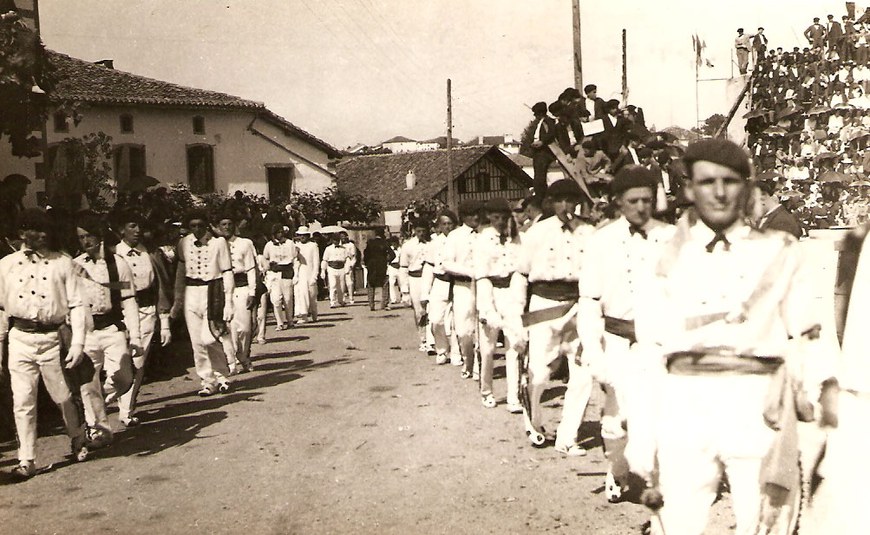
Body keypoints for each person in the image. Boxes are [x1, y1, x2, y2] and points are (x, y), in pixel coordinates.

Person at [630, 139, 826, 535]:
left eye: (730, 181)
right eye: (707, 182)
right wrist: (640, 440)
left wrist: (811, 413)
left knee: (769, 524)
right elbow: (649, 351)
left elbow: (808, 337)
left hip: (759, 405)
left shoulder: (781, 251)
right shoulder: (661, 257)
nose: (719, 193)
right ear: (688, 189)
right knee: (680, 523)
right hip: (684, 403)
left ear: (748, 187)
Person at [577, 166, 675, 502]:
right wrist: (593, 351)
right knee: (615, 421)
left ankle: (656, 483)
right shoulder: (600, 241)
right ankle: (617, 471)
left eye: (647, 200)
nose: (641, 207)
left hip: (657, 343)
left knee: (659, 416)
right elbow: (589, 301)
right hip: (616, 341)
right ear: (618, 202)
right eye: (633, 201)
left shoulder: (672, 237)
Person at [0, 208, 90, 478]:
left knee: (62, 397)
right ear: (22, 232)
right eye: (36, 229)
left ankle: (77, 436)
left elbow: (77, 304)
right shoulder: (6, 265)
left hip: (53, 339)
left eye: (46, 230)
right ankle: (27, 458)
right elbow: (2, 310)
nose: (42, 235)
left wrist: (77, 345)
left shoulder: (63, 262)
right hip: (20, 339)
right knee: (23, 400)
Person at [516, 179, 594, 454]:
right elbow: (521, 275)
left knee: (583, 372)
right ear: (550, 203)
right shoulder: (536, 233)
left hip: (578, 305)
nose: (565, 206)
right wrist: (517, 318)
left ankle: (567, 436)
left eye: (570, 200)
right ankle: (535, 425)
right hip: (543, 304)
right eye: (559, 200)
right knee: (539, 371)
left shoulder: (588, 232)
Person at [73, 211, 141, 449]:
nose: (85, 242)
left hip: (112, 329)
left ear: (99, 236)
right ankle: (99, 431)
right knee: (87, 383)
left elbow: (129, 300)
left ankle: (99, 400)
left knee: (124, 377)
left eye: (89, 236)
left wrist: (136, 336)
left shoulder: (117, 263)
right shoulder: (75, 266)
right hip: (86, 332)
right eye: (81, 238)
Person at [114, 209, 173, 427]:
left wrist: (164, 321)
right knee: (119, 361)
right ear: (121, 230)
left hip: (146, 312)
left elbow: (161, 288)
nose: (137, 231)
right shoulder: (113, 256)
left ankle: (126, 409)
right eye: (132, 226)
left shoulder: (150, 255)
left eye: (139, 226)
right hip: (119, 314)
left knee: (137, 361)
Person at [171, 209, 235, 397]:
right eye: (193, 226)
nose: (197, 229)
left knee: (210, 337)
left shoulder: (219, 242)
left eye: (200, 225)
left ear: (206, 225)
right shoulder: (183, 243)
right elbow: (180, 272)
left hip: (212, 291)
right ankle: (208, 381)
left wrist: (229, 300)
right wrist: (178, 299)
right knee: (197, 342)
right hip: (192, 292)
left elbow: (227, 271)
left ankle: (222, 375)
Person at [474, 198, 525, 412]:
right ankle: (487, 391)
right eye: (496, 218)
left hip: (511, 292)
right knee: (488, 348)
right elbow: (482, 275)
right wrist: (487, 309)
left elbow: (520, 269)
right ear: (489, 218)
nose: (500, 222)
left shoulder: (516, 238)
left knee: (515, 344)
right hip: (490, 291)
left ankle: (514, 396)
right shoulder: (483, 239)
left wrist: (519, 301)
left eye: (504, 218)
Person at [442, 200, 482, 379]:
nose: (476, 218)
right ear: (464, 217)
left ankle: (479, 368)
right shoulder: (455, 236)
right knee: (463, 330)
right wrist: (469, 271)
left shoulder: (486, 234)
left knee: (482, 328)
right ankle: (468, 360)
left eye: (478, 214)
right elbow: (447, 263)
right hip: (463, 286)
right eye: (472, 214)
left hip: (483, 285)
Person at [217, 213, 257, 373]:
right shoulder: (214, 244)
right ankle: (231, 361)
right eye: (223, 224)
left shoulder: (245, 243)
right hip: (222, 289)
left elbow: (251, 268)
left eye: (229, 224)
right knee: (227, 327)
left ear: (235, 226)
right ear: (218, 227)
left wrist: (252, 292)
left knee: (245, 328)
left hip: (242, 287)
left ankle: (243, 355)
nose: (227, 227)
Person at [421, 210, 459, 365]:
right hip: (440, 283)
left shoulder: (460, 240)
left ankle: (457, 353)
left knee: (457, 321)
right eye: (444, 224)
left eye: (450, 223)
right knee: (436, 319)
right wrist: (425, 293)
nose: (447, 227)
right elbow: (428, 268)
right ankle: (442, 350)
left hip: (457, 282)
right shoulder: (434, 244)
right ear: (439, 227)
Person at [399, 219, 432, 353]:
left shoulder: (432, 243)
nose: (421, 234)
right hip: (415, 279)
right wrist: (405, 290)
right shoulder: (408, 246)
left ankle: (432, 340)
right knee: (419, 311)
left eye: (424, 231)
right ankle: (423, 339)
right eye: (419, 231)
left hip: (430, 278)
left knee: (432, 309)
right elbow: (403, 268)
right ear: (414, 231)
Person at [263, 224, 300, 331]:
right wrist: (267, 268)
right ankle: (279, 322)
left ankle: (290, 321)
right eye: (277, 232)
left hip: (286, 272)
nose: (279, 234)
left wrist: (295, 273)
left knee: (288, 299)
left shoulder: (289, 243)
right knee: (276, 300)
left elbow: (294, 258)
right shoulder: (269, 245)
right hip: (274, 274)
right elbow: (265, 258)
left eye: (281, 231)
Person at [363, 228, 395, 311]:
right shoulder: (385, 243)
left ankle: (371, 305)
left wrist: (367, 264)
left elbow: (366, 254)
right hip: (382, 265)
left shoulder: (370, 243)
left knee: (371, 285)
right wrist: (388, 260)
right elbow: (392, 254)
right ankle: (384, 304)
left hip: (372, 265)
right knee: (384, 284)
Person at [529, 101, 557, 198]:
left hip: (544, 152)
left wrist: (542, 142)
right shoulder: (540, 123)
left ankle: (541, 195)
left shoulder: (548, 121)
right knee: (538, 175)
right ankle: (539, 194)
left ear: (540, 113)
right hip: (538, 152)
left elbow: (551, 133)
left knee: (540, 177)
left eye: (536, 113)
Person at [294, 226, 320, 323]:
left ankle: (314, 313)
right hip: (301, 272)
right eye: (300, 235)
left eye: (304, 235)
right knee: (301, 293)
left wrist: (315, 275)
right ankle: (303, 315)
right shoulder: (296, 246)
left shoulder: (313, 246)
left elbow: (316, 261)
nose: (302, 237)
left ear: (308, 235)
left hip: (310, 271)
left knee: (312, 295)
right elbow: (295, 260)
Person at [321, 233, 348, 308]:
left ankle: (341, 300)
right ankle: (332, 301)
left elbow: (346, 259)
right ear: (332, 240)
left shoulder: (344, 249)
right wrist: (323, 270)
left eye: (338, 240)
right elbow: (325, 260)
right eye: (335, 240)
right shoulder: (328, 249)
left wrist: (347, 268)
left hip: (341, 268)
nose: (336, 242)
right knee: (332, 285)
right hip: (331, 268)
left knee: (341, 286)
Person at [339, 232, 359, 304]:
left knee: (349, 282)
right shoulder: (339, 245)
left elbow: (354, 256)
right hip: (341, 263)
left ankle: (351, 298)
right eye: (341, 237)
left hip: (348, 262)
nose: (343, 238)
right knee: (341, 282)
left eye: (344, 236)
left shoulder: (351, 245)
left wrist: (351, 265)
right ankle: (343, 298)